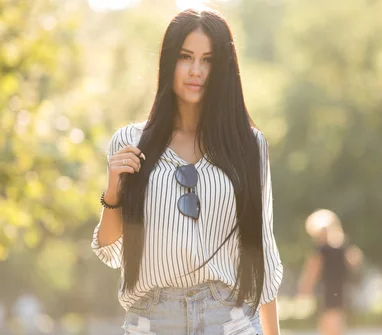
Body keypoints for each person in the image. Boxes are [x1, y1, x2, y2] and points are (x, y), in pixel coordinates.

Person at [91, 8, 283, 335]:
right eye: (186, 57)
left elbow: (261, 247)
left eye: (208, 60)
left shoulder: (249, 146)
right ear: (169, 61)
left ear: (222, 68)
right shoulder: (129, 143)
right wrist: (112, 194)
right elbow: (111, 249)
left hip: (230, 319)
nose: (196, 70)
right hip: (152, 321)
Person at [297, 209, 362, 335]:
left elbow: (312, 270)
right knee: (333, 320)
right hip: (339, 288)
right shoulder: (342, 246)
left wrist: (305, 288)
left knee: (330, 321)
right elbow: (355, 262)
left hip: (329, 289)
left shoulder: (321, 250)